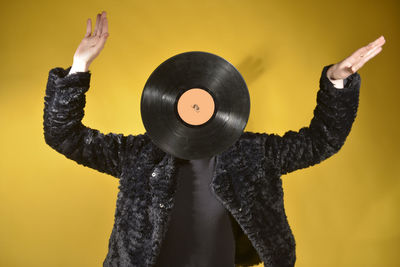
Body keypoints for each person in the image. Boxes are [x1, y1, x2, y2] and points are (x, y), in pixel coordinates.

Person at [43, 10, 385, 267]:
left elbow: (321, 141)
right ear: (169, 104)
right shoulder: (139, 154)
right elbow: (64, 135)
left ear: (221, 103)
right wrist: (79, 66)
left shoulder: (253, 154)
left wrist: (336, 82)